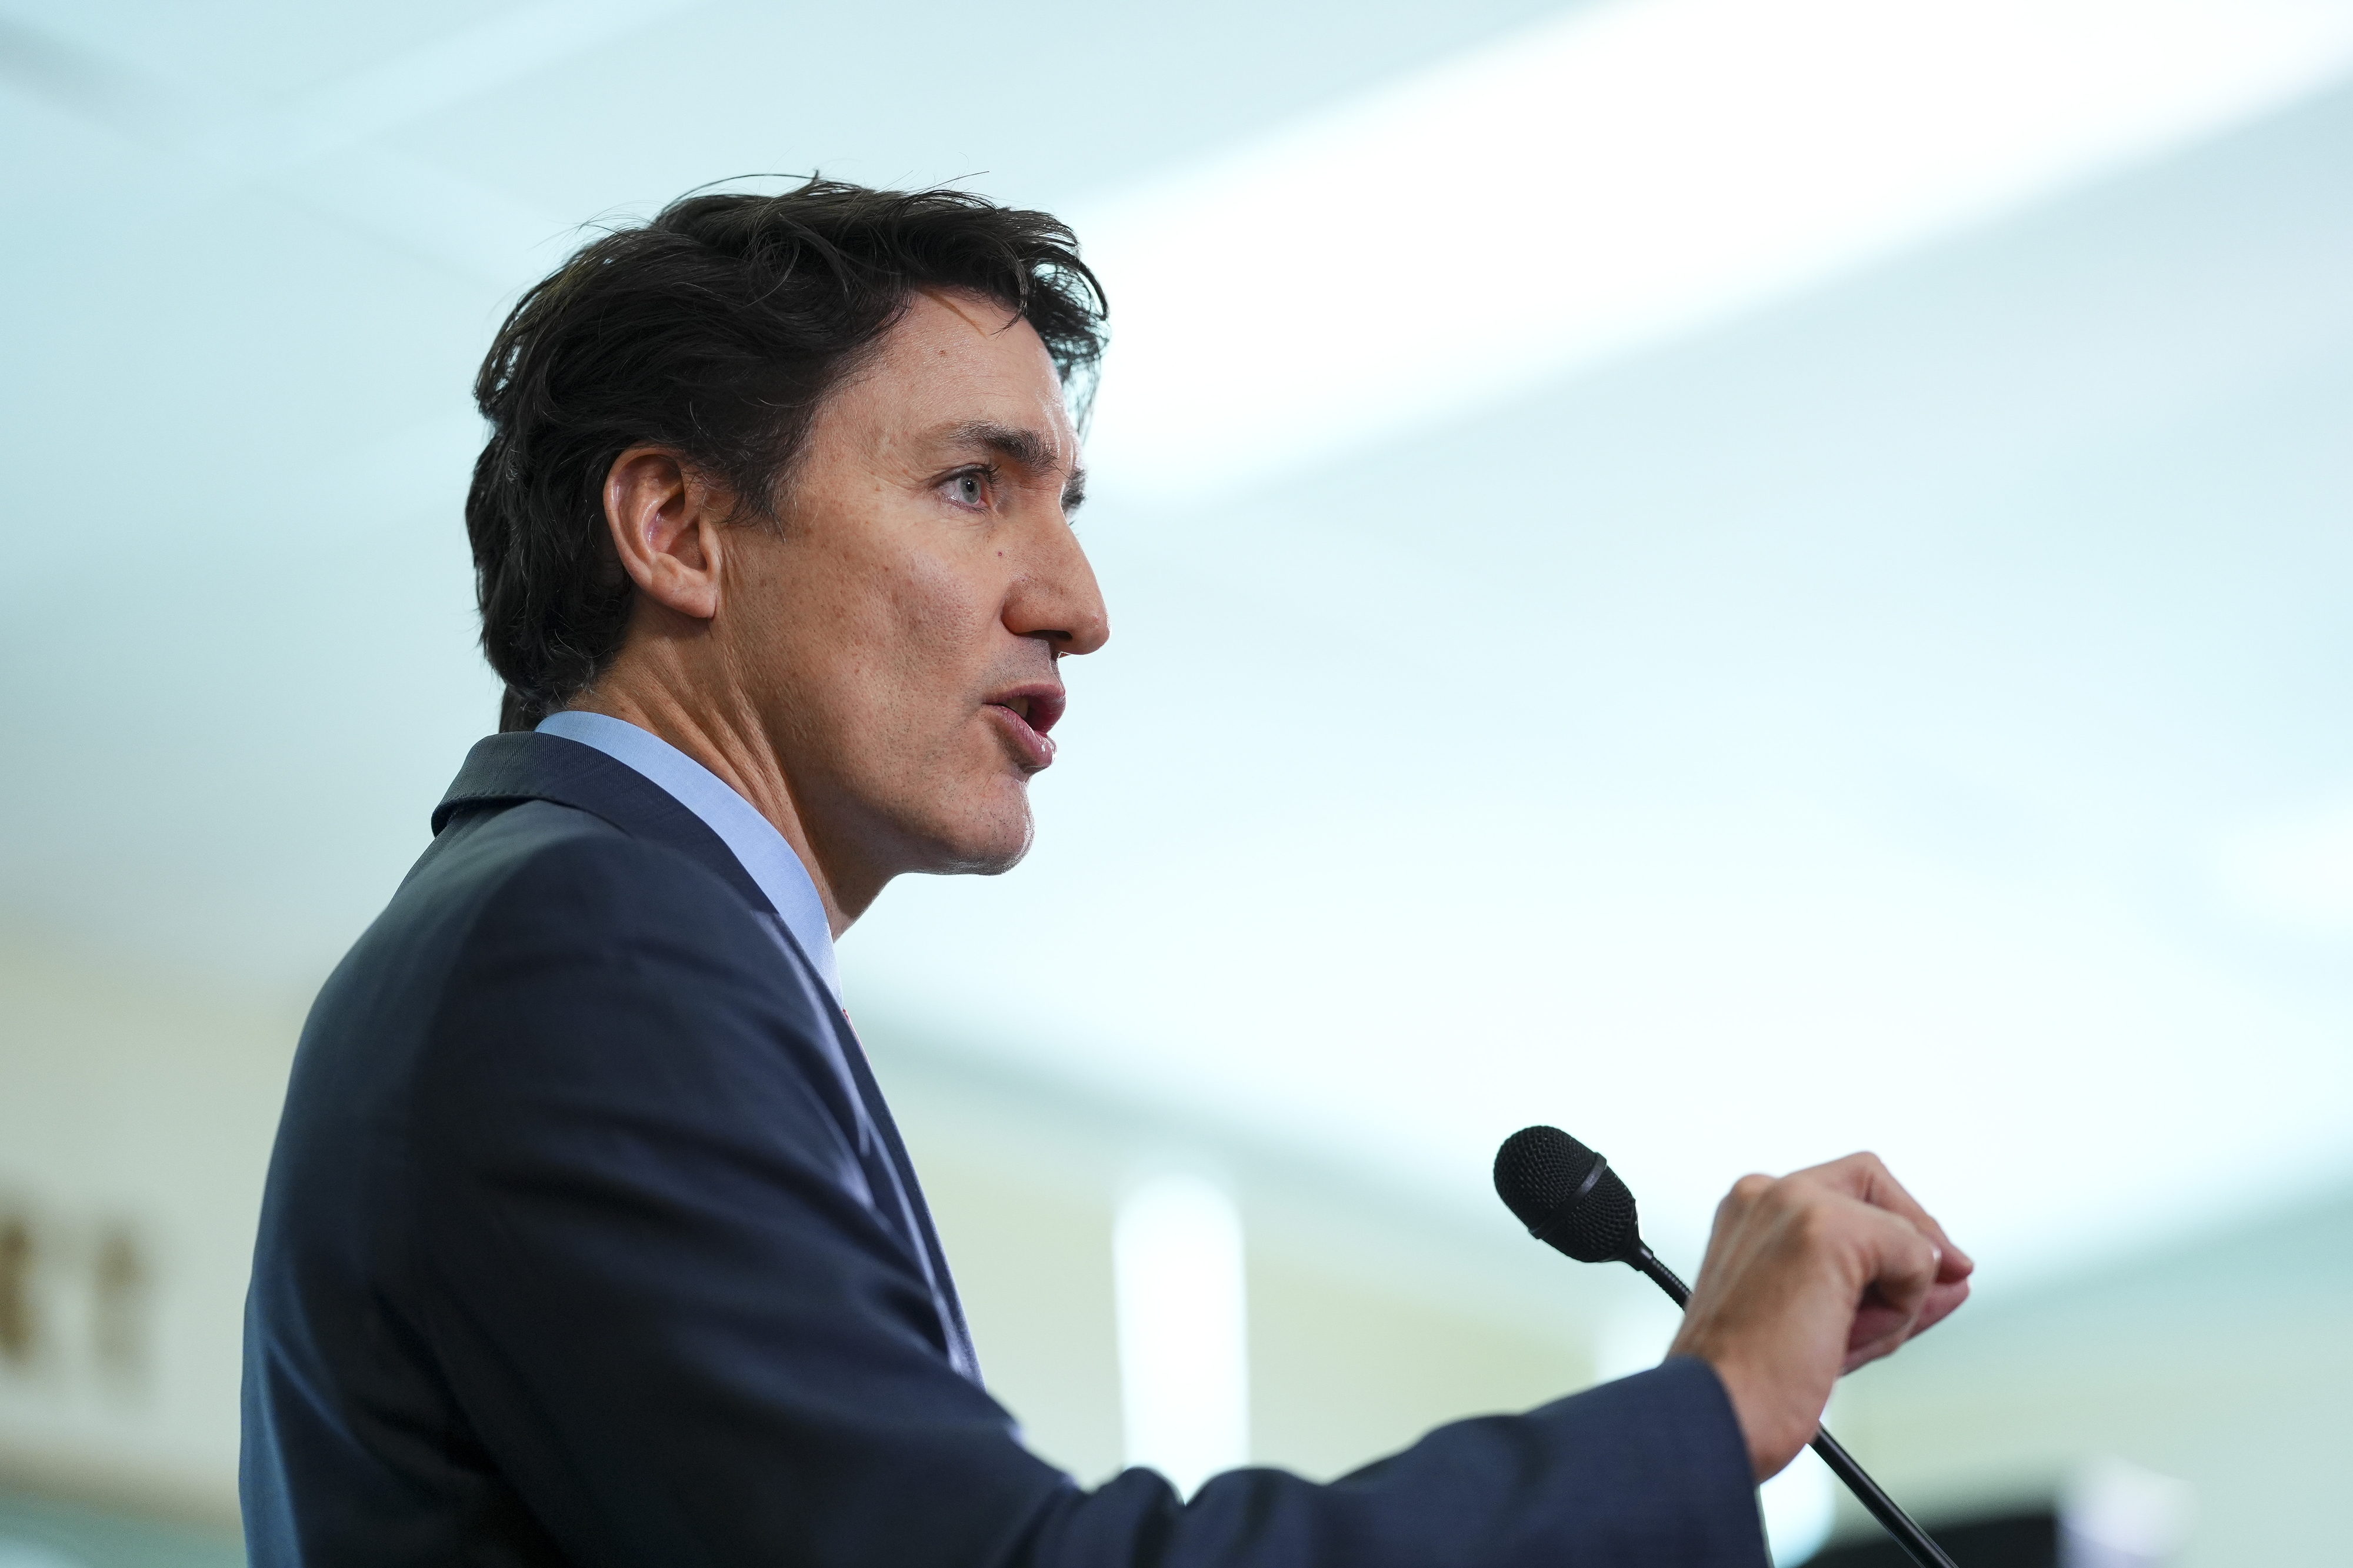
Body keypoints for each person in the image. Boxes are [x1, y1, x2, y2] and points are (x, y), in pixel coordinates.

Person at [241, 179, 1973, 1567]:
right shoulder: (587, 941)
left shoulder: (580, 931)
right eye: (974, 483)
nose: (1078, 601)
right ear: (679, 530)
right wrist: (1708, 1412)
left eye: (1068, 503)